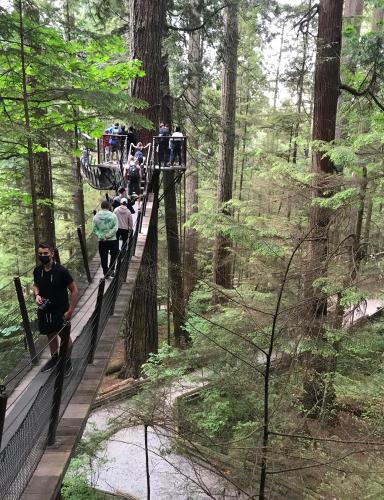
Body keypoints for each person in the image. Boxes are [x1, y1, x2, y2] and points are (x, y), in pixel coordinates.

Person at [33, 242, 78, 375]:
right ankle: (54, 358)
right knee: (50, 333)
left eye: (46, 253)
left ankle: (67, 361)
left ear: (52, 253)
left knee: (64, 336)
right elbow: (35, 285)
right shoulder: (38, 270)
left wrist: (70, 311)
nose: (43, 256)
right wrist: (36, 295)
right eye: (40, 254)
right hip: (44, 309)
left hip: (60, 310)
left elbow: (74, 290)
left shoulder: (61, 271)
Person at [92, 200, 119, 277]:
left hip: (102, 240)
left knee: (103, 256)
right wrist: (108, 235)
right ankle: (112, 269)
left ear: (101, 207)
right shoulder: (113, 216)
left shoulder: (96, 216)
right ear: (109, 207)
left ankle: (105, 272)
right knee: (114, 254)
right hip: (112, 240)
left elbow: (94, 229)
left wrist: (101, 236)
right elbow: (115, 228)